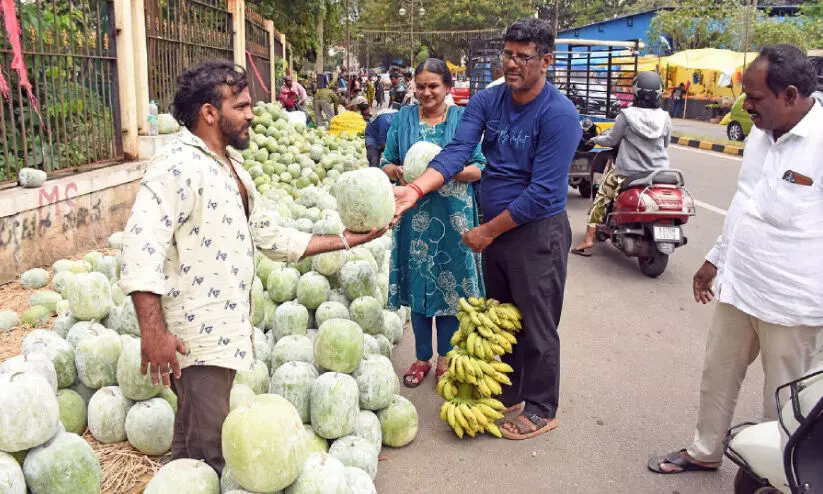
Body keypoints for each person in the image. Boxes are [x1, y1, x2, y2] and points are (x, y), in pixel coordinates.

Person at [118, 59, 386, 474]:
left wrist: (347, 240)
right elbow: (140, 248)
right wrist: (153, 333)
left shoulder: (233, 168)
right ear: (210, 112)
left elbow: (272, 237)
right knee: (213, 453)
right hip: (197, 342)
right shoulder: (176, 167)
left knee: (190, 446)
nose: (250, 114)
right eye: (241, 106)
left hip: (225, 335)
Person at [391, 19, 581, 439]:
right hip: (496, 231)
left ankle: (543, 407)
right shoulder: (488, 101)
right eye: (507, 54)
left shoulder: (559, 115)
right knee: (502, 318)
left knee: (538, 323)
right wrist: (417, 189)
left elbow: (543, 194)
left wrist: (487, 232)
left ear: (546, 60)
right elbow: (458, 149)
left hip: (536, 232)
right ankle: (509, 391)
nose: (511, 63)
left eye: (522, 56)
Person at [648, 44, 823, 475]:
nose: (745, 106)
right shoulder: (762, 136)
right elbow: (744, 204)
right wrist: (714, 259)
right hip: (740, 285)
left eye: (755, 97)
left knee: (783, 399)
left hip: (793, 304)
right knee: (718, 375)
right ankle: (705, 451)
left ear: (790, 95)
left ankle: (779, 475)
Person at [380, 58, 486, 387]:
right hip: (416, 218)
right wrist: (401, 172)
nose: (426, 93)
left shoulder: (462, 118)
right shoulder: (404, 118)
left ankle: (445, 359)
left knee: (452, 289)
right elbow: (386, 163)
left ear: (447, 88)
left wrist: (441, 170)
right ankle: (422, 357)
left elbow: (478, 168)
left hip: (454, 218)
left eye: (433, 86)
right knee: (421, 287)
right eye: (421, 86)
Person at [571, 71, 671, 255]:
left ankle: (588, 239)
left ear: (636, 91)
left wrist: (594, 140)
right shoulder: (665, 117)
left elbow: (611, 140)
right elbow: (665, 144)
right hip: (659, 173)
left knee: (601, 197)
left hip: (628, 172)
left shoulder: (626, 115)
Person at [354, 99, 397, 168]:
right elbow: (383, 143)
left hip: (384, 134)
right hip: (372, 136)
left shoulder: (403, 122)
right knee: (374, 160)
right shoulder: (386, 121)